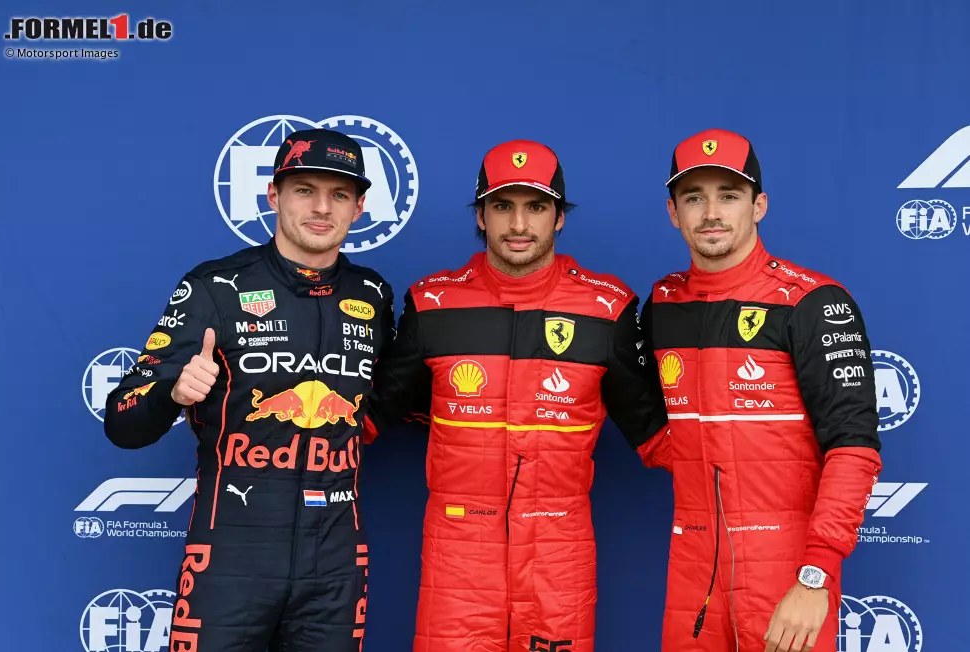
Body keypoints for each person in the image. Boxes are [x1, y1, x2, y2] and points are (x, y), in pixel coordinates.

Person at [364, 139, 672, 652]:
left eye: (536, 207)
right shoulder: (433, 303)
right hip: (458, 554)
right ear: (481, 216)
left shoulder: (607, 309)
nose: (519, 225)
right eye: (503, 206)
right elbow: (371, 414)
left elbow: (658, 435)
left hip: (559, 554)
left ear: (559, 217)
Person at [104, 128, 394, 652]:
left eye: (340, 194)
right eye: (305, 190)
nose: (322, 207)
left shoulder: (372, 294)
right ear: (273, 196)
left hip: (336, 559)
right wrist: (173, 394)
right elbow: (122, 423)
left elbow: (388, 402)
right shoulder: (214, 287)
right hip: (230, 556)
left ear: (359, 207)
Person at [646, 128, 882, 652]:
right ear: (673, 212)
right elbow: (634, 398)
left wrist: (816, 575)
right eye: (694, 198)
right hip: (693, 567)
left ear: (759, 206)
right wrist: (672, 451)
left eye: (729, 196)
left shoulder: (813, 302)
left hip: (788, 572)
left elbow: (854, 448)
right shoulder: (662, 305)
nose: (711, 213)